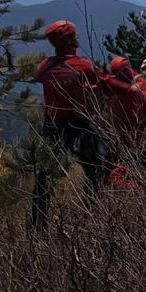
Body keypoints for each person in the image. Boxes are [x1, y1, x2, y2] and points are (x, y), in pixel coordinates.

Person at [33, 20, 105, 220]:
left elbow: (39, 76)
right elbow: (100, 85)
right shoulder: (84, 66)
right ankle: (93, 215)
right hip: (81, 124)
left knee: (45, 174)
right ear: (71, 40)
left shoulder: (45, 66)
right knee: (94, 170)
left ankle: (39, 222)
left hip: (53, 124)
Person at [101, 55, 146, 151]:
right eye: (124, 70)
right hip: (133, 137)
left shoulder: (117, 92)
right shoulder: (121, 95)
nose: (127, 71)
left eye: (127, 68)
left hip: (135, 136)